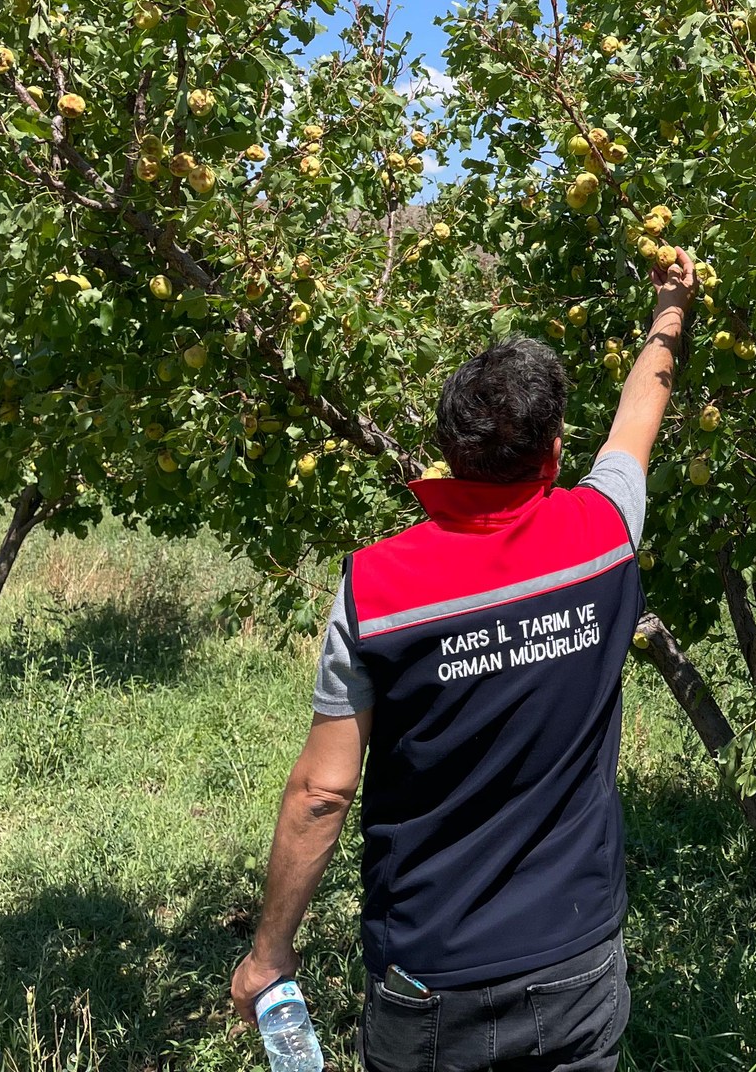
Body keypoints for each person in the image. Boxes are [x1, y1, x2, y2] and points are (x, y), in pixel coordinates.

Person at [231, 252, 697, 1071]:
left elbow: (322, 793)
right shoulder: (604, 536)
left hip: (430, 972)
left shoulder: (376, 587)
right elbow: (640, 413)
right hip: (574, 958)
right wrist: (669, 311)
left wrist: (270, 953)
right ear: (554, 452)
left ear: (447, 449)